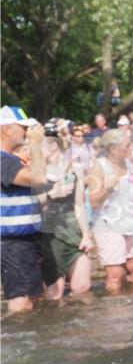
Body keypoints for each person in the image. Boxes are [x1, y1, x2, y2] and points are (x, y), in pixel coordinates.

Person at [1, 106, 54, 313]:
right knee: (21, 300)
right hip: (12, 243)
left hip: (26, 240)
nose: (26, 131)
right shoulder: (2, 160)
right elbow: (38, 178)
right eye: (22, 127)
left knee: (32, 296)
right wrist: (35, 144)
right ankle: (17, 339)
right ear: (7, 129)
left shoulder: (10, 159)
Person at [88, 128, 133, 292]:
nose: (131, 147)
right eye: (127, 145)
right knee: (116, 274)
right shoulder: (99, 168)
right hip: (108, 225)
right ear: (113, 149)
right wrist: (108, 189)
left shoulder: (128, 163)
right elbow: (92, 202)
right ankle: (116, 313)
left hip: (130, 222)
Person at [40, 136, 93, 300]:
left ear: (53, 146)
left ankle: (81, 324)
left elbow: (79, 205)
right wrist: (51, 194)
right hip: (49, 235)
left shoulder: (75, 170)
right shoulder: (36, 171)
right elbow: (32, 203)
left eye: (39, 148)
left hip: (73, 232)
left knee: (82, 287)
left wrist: (86, 234)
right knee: (55, 293)